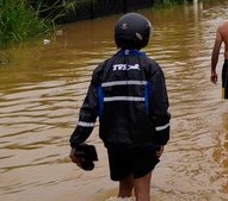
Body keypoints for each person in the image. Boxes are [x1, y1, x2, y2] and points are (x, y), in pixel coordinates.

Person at [69, 12, 170, 201]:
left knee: (124, 190)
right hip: (143, 141)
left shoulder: (102, 69)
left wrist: (76, 142)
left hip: (115, 141)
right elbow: (159, 109)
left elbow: (89, 110)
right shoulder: (150, 68)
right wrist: (162, 139)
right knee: (142, 190)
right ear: (144, 37)